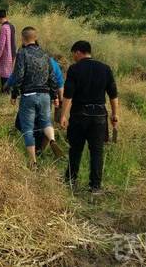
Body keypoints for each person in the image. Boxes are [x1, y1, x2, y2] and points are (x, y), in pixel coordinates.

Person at [60, 41, 119, 194]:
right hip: (99, 116)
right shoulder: (105, 69)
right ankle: (95, 186)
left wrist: (63, 115)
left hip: (79, 115)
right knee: (97, 152)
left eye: (74, 54)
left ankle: (70, 181)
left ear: (78, 52)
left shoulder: (74, 69)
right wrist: (115, 114)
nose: (73, 57)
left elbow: (68, 94)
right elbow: (113, 94)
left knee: (75, 150)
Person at [1, 27, 60, 167]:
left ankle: (33, 162)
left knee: (27, 128)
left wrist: (14, 94)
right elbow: (52, 77)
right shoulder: (45, 54)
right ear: (36, 37)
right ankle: (52, 139)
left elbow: (19, 75)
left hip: (29, 95)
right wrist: (55, 95)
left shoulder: (22, 53)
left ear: (23, 38)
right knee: (46, 122)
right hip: (45, 95)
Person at [33, 53, 66, 155]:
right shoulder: (54, 65)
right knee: (46, 122)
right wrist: (60, 103)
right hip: (47, 98)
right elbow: (60, 86)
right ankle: (41, 149)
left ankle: (34, 148)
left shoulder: (33, 60)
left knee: (32, 122)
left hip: (31, 95)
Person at [0, 9, 16, 90]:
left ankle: (5, 92)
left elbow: (1, 43)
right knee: (9, 73)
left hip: (6, 54)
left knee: (4, 75)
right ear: (6, 16)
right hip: (13, 53)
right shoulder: (12, 26)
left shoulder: (4, 27)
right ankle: (8, 92)